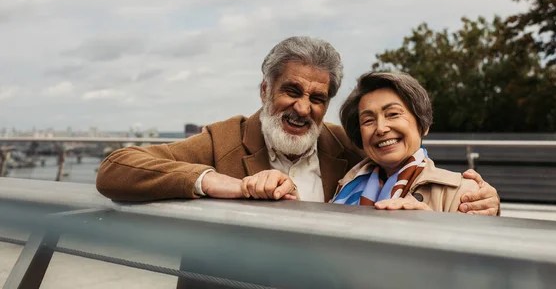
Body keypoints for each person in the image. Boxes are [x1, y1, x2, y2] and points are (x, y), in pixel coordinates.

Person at [96, 36, 499, 215]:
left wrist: (483, 202)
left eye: (318, 98)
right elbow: (116, 168)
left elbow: (409, 165)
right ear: (264, 90)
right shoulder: (224, 140)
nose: (303, 108)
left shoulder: (349, 147)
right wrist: (218, 182)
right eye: (291, 91)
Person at [332, 71, 478, 212]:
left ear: (422, 124)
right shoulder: (345, 183)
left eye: (393, 114)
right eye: (368, 120)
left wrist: (431, 225)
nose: (381, 129)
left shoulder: (464, 193)